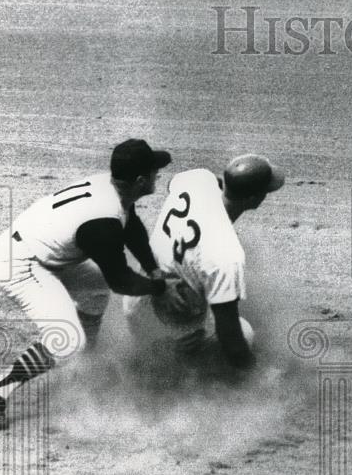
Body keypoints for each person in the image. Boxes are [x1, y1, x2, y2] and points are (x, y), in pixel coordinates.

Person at [0, 139, 178, 428]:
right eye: (155, 171)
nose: (159, 174)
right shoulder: (102, 223)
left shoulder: (111, 190)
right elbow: (121, 281)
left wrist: (154, 271)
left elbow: (131, 227)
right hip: (20, 264)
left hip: (42, 250)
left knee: (95, 290)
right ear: (141, 180)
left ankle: (84, 369)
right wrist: (159, 289)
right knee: (69, 341)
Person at [122, 154, 285, 370]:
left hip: (135, 299)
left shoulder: (198, 179)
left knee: (206, 288)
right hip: (161, 326)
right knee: (244, 335)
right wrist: (256, 374)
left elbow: (174, 184)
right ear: (254, 200)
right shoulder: (226, 254)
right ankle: (173, 361)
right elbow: (232, 341)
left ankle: (161, 349)